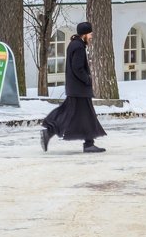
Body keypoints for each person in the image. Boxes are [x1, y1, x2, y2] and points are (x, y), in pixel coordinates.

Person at [41, 21, 107, 153]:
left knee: (76, 115)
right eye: (90, 33)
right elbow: (77, 68)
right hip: (79, 89)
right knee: (80, 115)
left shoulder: (75, 44)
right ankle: (87, 143)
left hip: (76, 89)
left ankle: (87, 142)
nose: (91, 36)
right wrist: (87, 80)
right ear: (85, 34)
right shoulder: (78, 47)